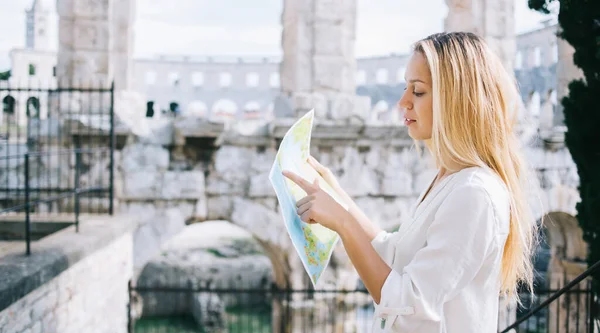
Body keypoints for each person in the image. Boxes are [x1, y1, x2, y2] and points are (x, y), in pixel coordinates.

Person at [283, 32, 537, 332]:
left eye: (418, 92)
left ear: (456, 99)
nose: (403, 102)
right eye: (406, 88)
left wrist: (343, 223)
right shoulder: (451, 179)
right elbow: (396, 254)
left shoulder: (475, 193)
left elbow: (408, 307)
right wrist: (341, 201)